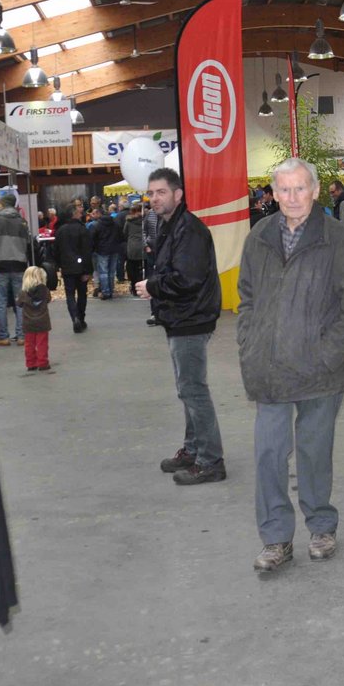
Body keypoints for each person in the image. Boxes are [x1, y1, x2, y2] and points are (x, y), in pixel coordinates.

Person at [237, 158, 344, 573]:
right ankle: (276, 538)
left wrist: (324, 354)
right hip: (270, 369)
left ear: (315, 191)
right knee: (269, 455)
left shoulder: (338, 239)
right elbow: (246, 299)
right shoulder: (258, 236)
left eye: (300, 189)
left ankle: (321, 526)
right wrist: (250, 342)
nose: (293, 197)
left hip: (320, 373)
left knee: (314, 453)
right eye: (284, 190)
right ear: (273, 193)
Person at [137, 168, 226, 486]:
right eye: (151, 193)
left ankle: (211, 460)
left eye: (161, 192)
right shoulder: (170, 226)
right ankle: (193, 449)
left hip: (191, 318)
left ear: (178, 194)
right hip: (181, 318)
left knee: (193, 390)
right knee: (187, 389)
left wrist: (152, 286)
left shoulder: (188, 230)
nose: (154, 198)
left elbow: (186, 279)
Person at [0, 193, 31, 347]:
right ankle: (21, 336)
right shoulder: (22, 223)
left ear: (3, 204)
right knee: (20, 302)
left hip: (0, 266)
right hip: (19, 265)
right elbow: (29, 246)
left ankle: (4, 337)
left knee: (2, 302)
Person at [55, 199, 92, 333]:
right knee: (82, 294)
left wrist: (59, 265)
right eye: (78, 212)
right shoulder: (83, 229)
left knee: (70, 294)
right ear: (74, 214)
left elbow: (56, 250)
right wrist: (88, 270)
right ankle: (81, 317)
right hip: (81, 267)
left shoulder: (60, 231)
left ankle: (74, 317)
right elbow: (87, 251)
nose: (81, 214)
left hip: (67, 267)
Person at [18, 265, 53, 373]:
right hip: (42, 321)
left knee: (29, 344)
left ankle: (31, 363)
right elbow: (48, 300)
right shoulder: (45, 291)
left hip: (28, 322)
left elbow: (19, 303)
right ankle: (43, 363)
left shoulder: (23, 293)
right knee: (42, 343)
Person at [90, 198, 123, 299]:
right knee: (112, 271)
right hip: (114, 249)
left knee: (103, 272)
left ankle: (105, 291)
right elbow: (121, 236)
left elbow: (92, 239)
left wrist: (94, 248)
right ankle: (111, 290)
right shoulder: (115, 224)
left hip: (102, 250)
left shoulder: (96, 225)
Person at [124, 202, 147, 293]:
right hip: (143, 246)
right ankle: (142, 286)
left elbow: (125, 232)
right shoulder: (145, 220)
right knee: (143, 267)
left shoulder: (129, 221)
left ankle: (134, 287)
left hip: (132, 246)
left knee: (132, 268)